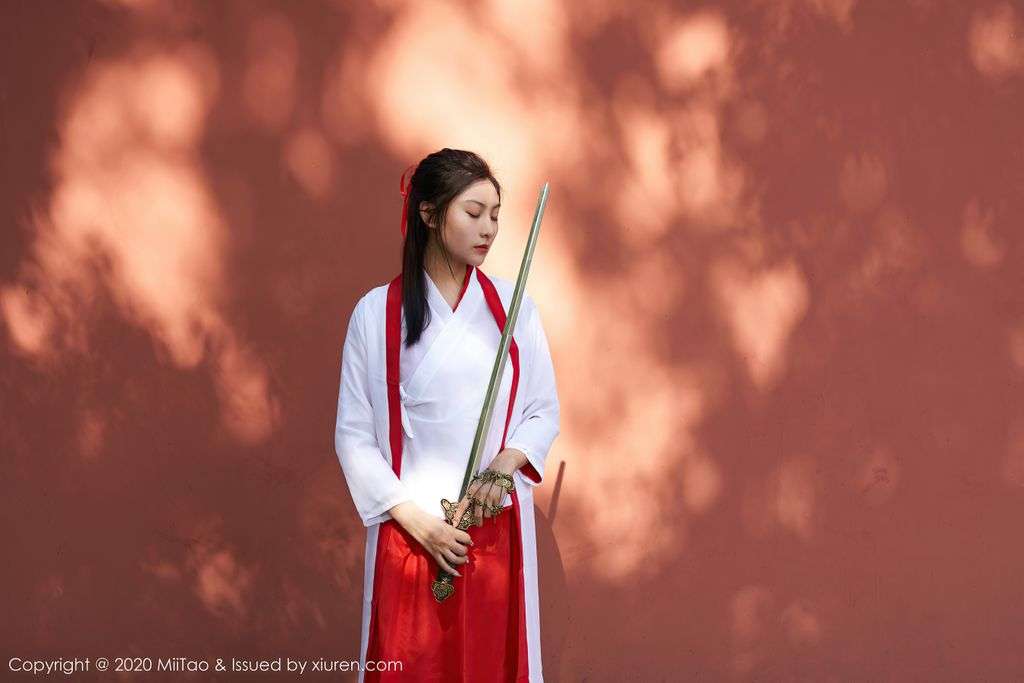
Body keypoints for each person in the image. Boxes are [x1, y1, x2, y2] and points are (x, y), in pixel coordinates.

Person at [333, 148, 560, 682]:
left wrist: (504, 464)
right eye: (473, 212)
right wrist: (417, 523)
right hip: (410, 534)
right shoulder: (376, 314)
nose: (489, 229)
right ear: (429, 214)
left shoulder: (515, 307)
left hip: (491, 528)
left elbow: (541, 409)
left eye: (496, 215)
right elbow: (353, 435)